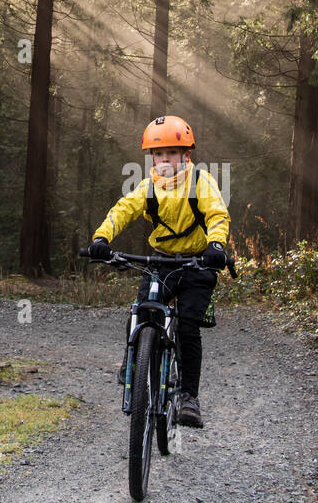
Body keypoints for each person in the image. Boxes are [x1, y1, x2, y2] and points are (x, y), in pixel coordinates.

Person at [88, 114, 231, 429]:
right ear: (151, 158)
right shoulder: (148, 186)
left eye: (171, 152)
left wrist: (217, 246)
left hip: (196, 262)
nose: (164, 159)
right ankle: (133, 364)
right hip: (162, 260)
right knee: (141, 311)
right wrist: (102, 238)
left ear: (186, 156)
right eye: (158, 153)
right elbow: (123, 209)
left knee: (189, 328)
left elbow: (218, 214)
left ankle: (190, 397)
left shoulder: (200, 181)